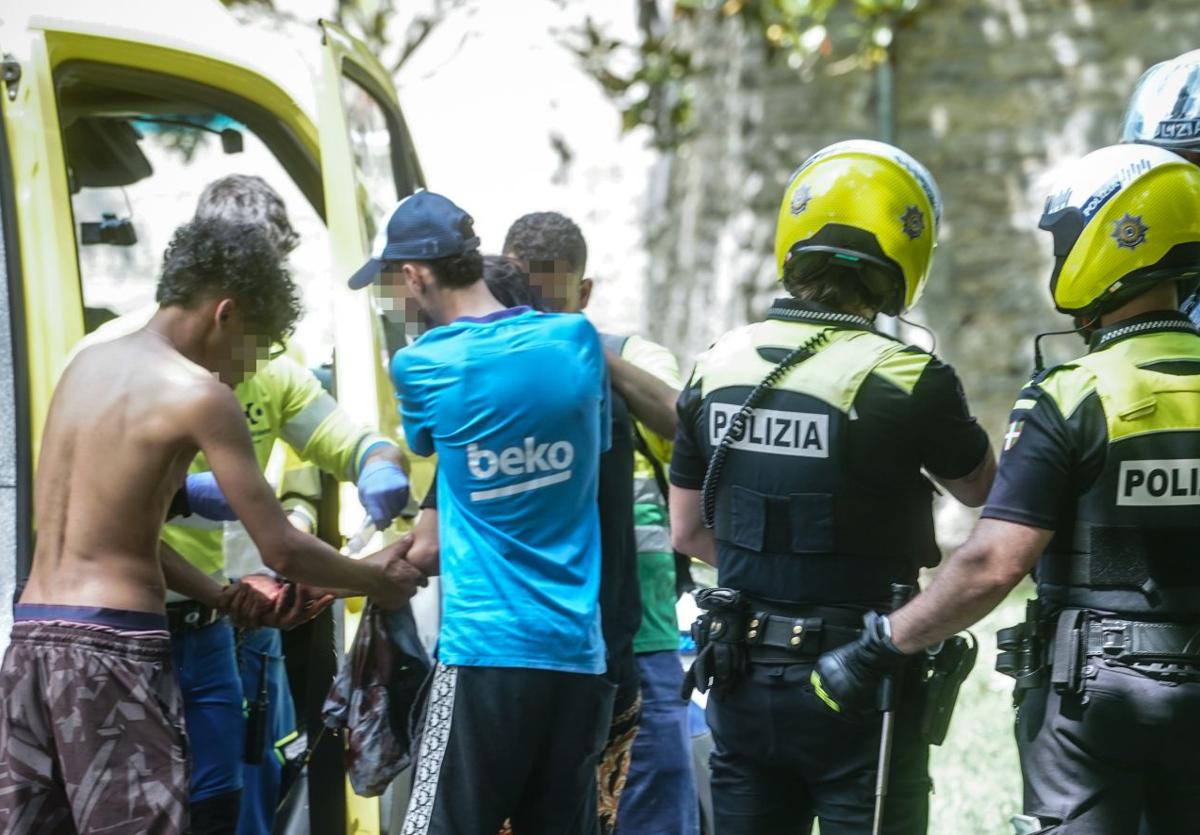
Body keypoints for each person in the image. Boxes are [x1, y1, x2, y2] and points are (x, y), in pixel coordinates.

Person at [813, 143, 1200, 834]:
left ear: (1107, 239)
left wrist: (879, 644)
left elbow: (994, 562)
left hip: (1097, 697)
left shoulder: (1077, 393)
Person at [0, 217, 423, 835]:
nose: (247, 371)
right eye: (254, 347)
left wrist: (218, 597)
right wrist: (374, 580)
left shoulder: (85, 366)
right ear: (226, 313)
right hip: (113, 650)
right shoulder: (198, 393)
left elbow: (119, 531)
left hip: (33, 639)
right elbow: (281, 545)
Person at [669, 140, 995, 835]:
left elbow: (688, 533)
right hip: (858, 679)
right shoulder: (909, 378)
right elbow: (979, 491)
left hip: (739, 671)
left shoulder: (714, 363)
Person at [348, 191, 614, 835]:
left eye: (392, 283)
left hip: (486, 652)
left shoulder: (421, 366)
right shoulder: (577, 341)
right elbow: (592, 448)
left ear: (414, 275)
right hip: (578, 654)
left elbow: (427, 450)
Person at [502, 212, 698, 835]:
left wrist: (581, 346)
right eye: (518, 294)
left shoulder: (631, 356)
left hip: (641, 637)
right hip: (535, 641)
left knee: (650, 810)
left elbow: (680, 419)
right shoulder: (490, 363)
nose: (529, 313)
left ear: (583, 295)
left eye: (546, 298)